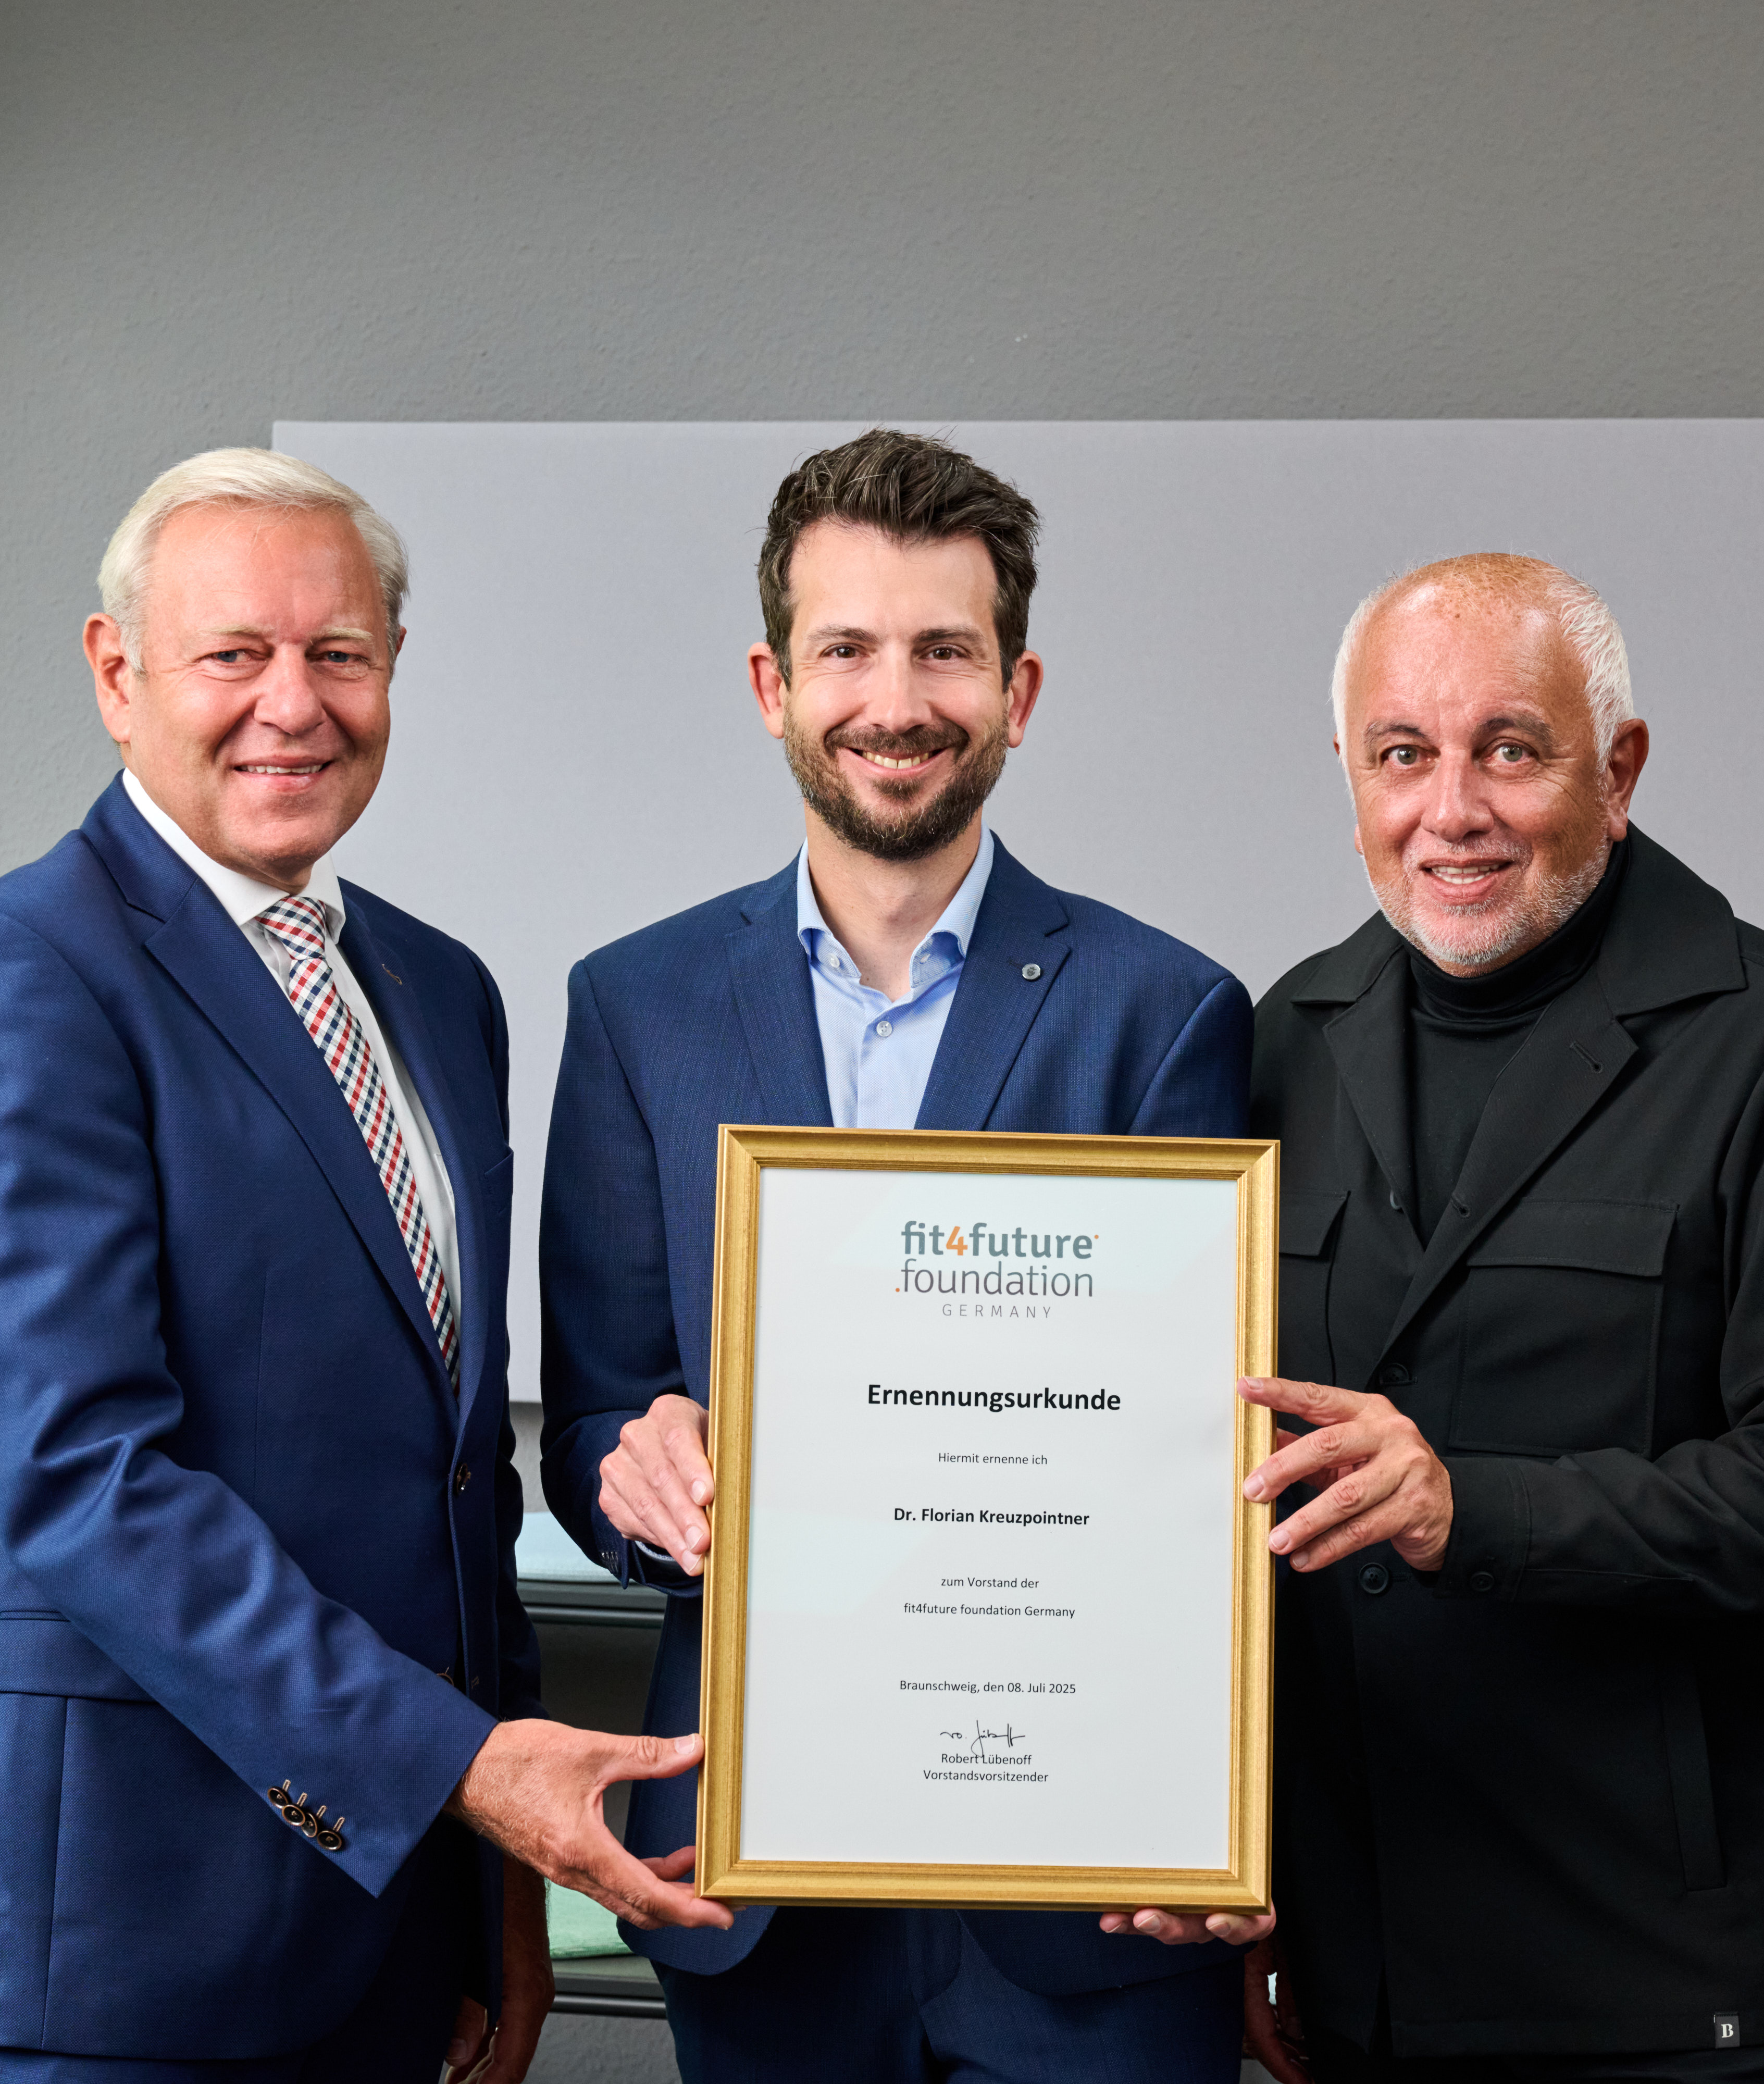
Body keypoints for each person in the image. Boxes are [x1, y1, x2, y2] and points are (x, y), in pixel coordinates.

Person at [0, 449, 726, 2084]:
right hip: (117, 1934)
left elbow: (454, 1484)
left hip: (390, 1920)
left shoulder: (437, 992)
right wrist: (461, 1772)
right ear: (118, 675)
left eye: (340, 654)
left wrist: (491, 1894)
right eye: (233, 654)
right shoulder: (10, 976)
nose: (294, 705)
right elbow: (82, 1478)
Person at [539, 428, 1256, 2080]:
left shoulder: (1166, 1012)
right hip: (754, 1873)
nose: (897, 699)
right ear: (772, 684)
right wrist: (636, 1478)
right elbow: (592, 1423)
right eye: (847, 649)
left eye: (945, 649)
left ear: (1018, 689)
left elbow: (1193, 1478)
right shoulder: (637, 1009)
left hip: (1091, 1880)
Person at [1239, 553, 1764, 2081]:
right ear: (1350, 778)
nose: (1453, 809)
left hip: (1660, 1986)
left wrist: (1468, 1509)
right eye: (1402, 755)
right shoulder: (1283, 1042)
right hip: (1362, 1970)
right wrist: (1235, 1869)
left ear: (1617, 771)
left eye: (1511, 749)